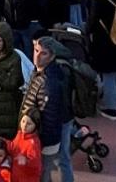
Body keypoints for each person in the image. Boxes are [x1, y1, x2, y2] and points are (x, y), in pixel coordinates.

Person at [20, 36, 75, 182]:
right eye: (36, 50)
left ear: (52, 56)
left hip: (48, 133)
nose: (37, 56)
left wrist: (42, 143)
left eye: (43, 53)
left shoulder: (50, 82)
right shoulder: (40, 71)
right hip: (56, 124)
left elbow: (50, 117)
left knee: (46, 169)